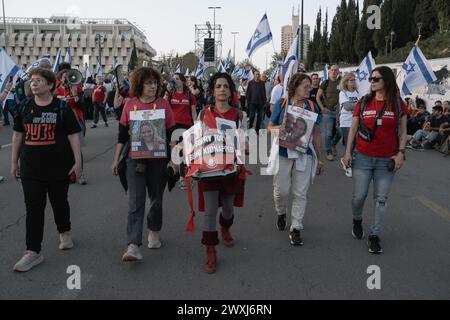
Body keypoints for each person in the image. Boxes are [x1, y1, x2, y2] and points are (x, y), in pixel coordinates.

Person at [11, 67, 82, 272]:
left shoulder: (61, 107)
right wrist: (14, 162)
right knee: (33, 209)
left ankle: (65, 232)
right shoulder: (23, 106)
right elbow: (17, 135)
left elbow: (73, 135)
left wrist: (78, 162)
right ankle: (32, 251)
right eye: (32, 80)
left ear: (50, 85)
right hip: (30, 169)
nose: (33, 83)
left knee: (59, 203)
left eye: (39, 80)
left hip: (58, 167)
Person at [111, 67, 175, 262]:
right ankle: (133, 245)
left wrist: (175, 159)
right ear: (139, 85)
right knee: (135, 202)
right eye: (148, 83)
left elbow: (172, 135)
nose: (153, 86)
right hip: (134, 160)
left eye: (155, 83)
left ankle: (154, 231)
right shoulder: (130, 105)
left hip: (159, 160)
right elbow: (122, 135)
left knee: (156, 199)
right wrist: (116, 159)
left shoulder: (164, 104)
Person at [342, 66, 408, 254]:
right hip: (362, 157)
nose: (371, 81)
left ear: (386, 81)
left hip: (386, 160)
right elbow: (353, 129)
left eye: (375, 79)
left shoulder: (397, 104)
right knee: (359, 196)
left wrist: (401, 153)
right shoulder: (363, 102)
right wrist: (348, 152)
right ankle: (357, 219)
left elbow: (403, 131)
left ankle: (375, 235)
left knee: (381, 199)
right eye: (371, 78)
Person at [187, 72, 248, 274]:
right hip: (208, 169)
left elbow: (245, 143)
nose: (222, 89)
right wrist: (191, 163)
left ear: (231, 91)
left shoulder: (240, 115)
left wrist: (243, 145)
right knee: (211, 210)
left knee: (228, 209)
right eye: (218, 86)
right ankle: (211, 250)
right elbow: (195, 141)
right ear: (212, 91)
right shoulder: (203, 114)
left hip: (230, 169)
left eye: (226, 86)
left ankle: (226, 227)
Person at [268, 73, 324, 246]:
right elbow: (269, 128)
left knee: (300, 193)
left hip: (304, 154)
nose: (310, 89)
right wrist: (280, 128)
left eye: (310, 86)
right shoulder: (282, 104)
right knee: (281, 190)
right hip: (283, 153)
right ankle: (281, 211)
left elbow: (316, 133)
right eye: (305, 86)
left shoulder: (313, 106)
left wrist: (320, 159)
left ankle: (296, 227)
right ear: (295, 87)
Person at [167, 73, 197, 190]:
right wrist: (166, 91)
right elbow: (164, 107)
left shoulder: (189, 95)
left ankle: (183, 176)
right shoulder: (170, 94)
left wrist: (196, 127)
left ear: (183, 81)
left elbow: (193, 112)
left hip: (187, 126)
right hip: (173, 127)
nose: (175, 80)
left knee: (185, 152)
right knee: (176, 152)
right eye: (173, 79)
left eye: (177, 79)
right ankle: (180, 176)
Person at [317, 64, 342, 161]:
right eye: (332, 70)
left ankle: (332, 144)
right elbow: (318, 97)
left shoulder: (341, 82)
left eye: (336, 70)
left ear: (338, 72)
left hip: (339, 113)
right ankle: (328, 151)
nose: (334, 72)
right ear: (329, 71)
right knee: (328, 133)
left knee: (340, 132)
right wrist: (322, 108)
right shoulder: (325, 83)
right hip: (328, 112)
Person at [338, 72, 361, 178]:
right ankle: (347, 164)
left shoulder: (358, 92)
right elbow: (347, 106)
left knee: (356, 144)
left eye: (354, 80)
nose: (353, 82)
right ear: (346, 82)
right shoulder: (343, 93)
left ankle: (348, 161)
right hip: (346, 122)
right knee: (349, 144)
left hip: (357, 122)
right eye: (351, 80)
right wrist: (359, 104)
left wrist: (357, 105)